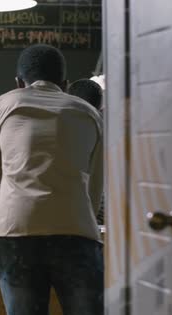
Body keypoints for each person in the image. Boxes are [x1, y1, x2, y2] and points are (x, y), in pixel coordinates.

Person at [0, 44, 104, 315]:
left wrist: (3, 213)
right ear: (65, 84)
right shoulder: (89, 113)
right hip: (77, 229)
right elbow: (95, 188)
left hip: (17, 229)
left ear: (19, 83)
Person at [68, 76, 105, 225]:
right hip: (101, 217)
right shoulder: (105, 127)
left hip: (73, 216)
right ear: (101, 104)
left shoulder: (61, 130)